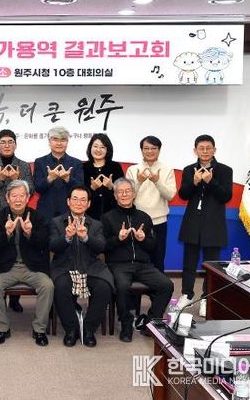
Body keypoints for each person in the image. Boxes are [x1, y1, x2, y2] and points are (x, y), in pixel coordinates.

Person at [101, 178, 173, 342]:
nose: (124, 194)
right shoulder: (107, 218)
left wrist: (143, 239)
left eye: (128, 191)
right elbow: (103, 246)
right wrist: (118, 239)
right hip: (119, 265)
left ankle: (151, 322)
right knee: (122, 286)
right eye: (120, 192)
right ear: (115, 196)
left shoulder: (144, 217)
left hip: (143, 265)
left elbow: (153, 246)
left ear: (134, 194)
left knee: (166, 285)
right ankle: (126, 324)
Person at [0, 180, 54, 346]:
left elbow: (44, 244)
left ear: (28, 197)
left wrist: (30, 233)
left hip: (32, 267)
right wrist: (7, 233)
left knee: (47, 286)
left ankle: (39, 329)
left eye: (21, 196)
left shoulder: (37, 217)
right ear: (7, 198)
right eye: (14, 196)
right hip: (6, 268)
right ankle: (2, 328)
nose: (18, 199)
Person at [49, 185, 113, 347]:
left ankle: (89, 329)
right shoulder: (57, 222)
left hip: (91, 267)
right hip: (64, 267)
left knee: (104, 287)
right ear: (68, 202)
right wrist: (66, 237)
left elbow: (101, 247)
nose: (79, 203)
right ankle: (71, 329)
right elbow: (52, 246)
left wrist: (86, 238)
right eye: (75, 199)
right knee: (60, 286)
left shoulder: (96, 224)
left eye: (83, 200)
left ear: (89, 204)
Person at [177, 134, 233, 311]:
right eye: (201, 148)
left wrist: (211, 182)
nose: (205, 151)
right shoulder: (188, 170)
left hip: (213, 223)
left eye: (209, 148)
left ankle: (206, 298)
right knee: (189, 263)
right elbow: (183, 195)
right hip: (192, 222)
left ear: (214, 150)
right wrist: (193, 182)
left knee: (211, 264)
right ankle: (187, 294)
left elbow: (226, 196)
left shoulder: (225, 170)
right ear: (195, 150)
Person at [0, 128, 34, 313]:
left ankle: (14, 299)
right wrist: (1, 178)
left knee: (18, 250)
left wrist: (17, 179)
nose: (7, 145)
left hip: (19, 215)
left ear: (15, 144)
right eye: (3, 142)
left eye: (10, 142)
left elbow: (31, 190)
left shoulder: (23, 165)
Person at [125, 136, 177, 272]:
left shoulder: (167, 169)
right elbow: (126, 196)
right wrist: (139, 181)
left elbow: (170, 195)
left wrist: (157, 181)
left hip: (159, 221)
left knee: (158, 259)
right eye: (146, 148)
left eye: (153, 148)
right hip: (136, 220)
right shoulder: (133, 169)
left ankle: (158, 285)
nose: (149, 151)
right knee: (137, 259)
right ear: (141, 150)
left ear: (159, 150)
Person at [34, 126, 84, 221]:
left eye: (63, 140)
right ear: (49, 142)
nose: (59, 143)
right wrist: (49, 179)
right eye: (55, 139)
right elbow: (37, 188)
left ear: (67, 142)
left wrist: (68, 179)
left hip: (69, 212)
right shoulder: (40, 162)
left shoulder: (76, 163)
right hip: (45, 212)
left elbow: (81, 188)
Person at [82, 133, 124, 220]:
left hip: (113, 215)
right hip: (89, 216)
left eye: (102, 147)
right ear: (90, 148)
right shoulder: (83, 167)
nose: (98, 150)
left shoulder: (115, 166)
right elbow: (79, 193)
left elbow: (123, 191)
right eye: (95, 146)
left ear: (107, 150)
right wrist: (92, 188)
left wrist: (111, 186)